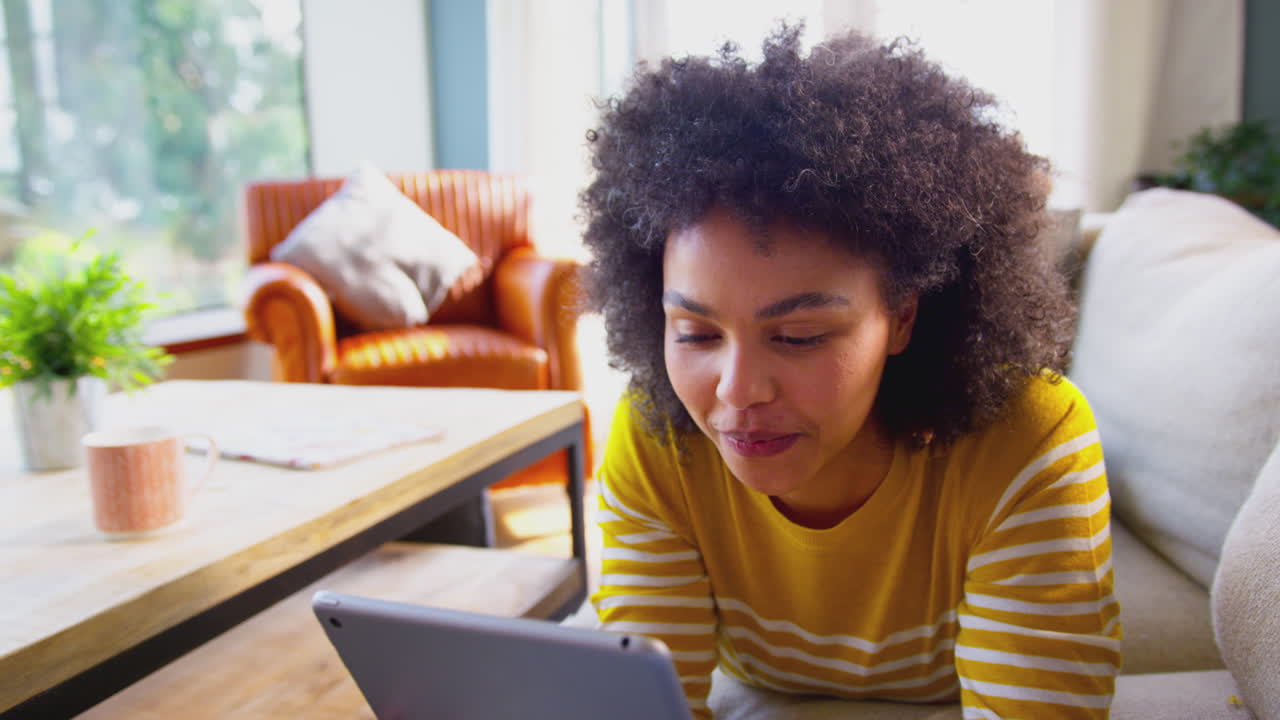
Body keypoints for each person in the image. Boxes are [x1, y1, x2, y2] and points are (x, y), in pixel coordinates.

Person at [580, 24, 1119, 720]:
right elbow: (644, 705)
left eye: (799, 336)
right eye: (695, 332)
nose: (735, 392)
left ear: (901, 316)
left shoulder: (1030, 439)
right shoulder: (658, 433)